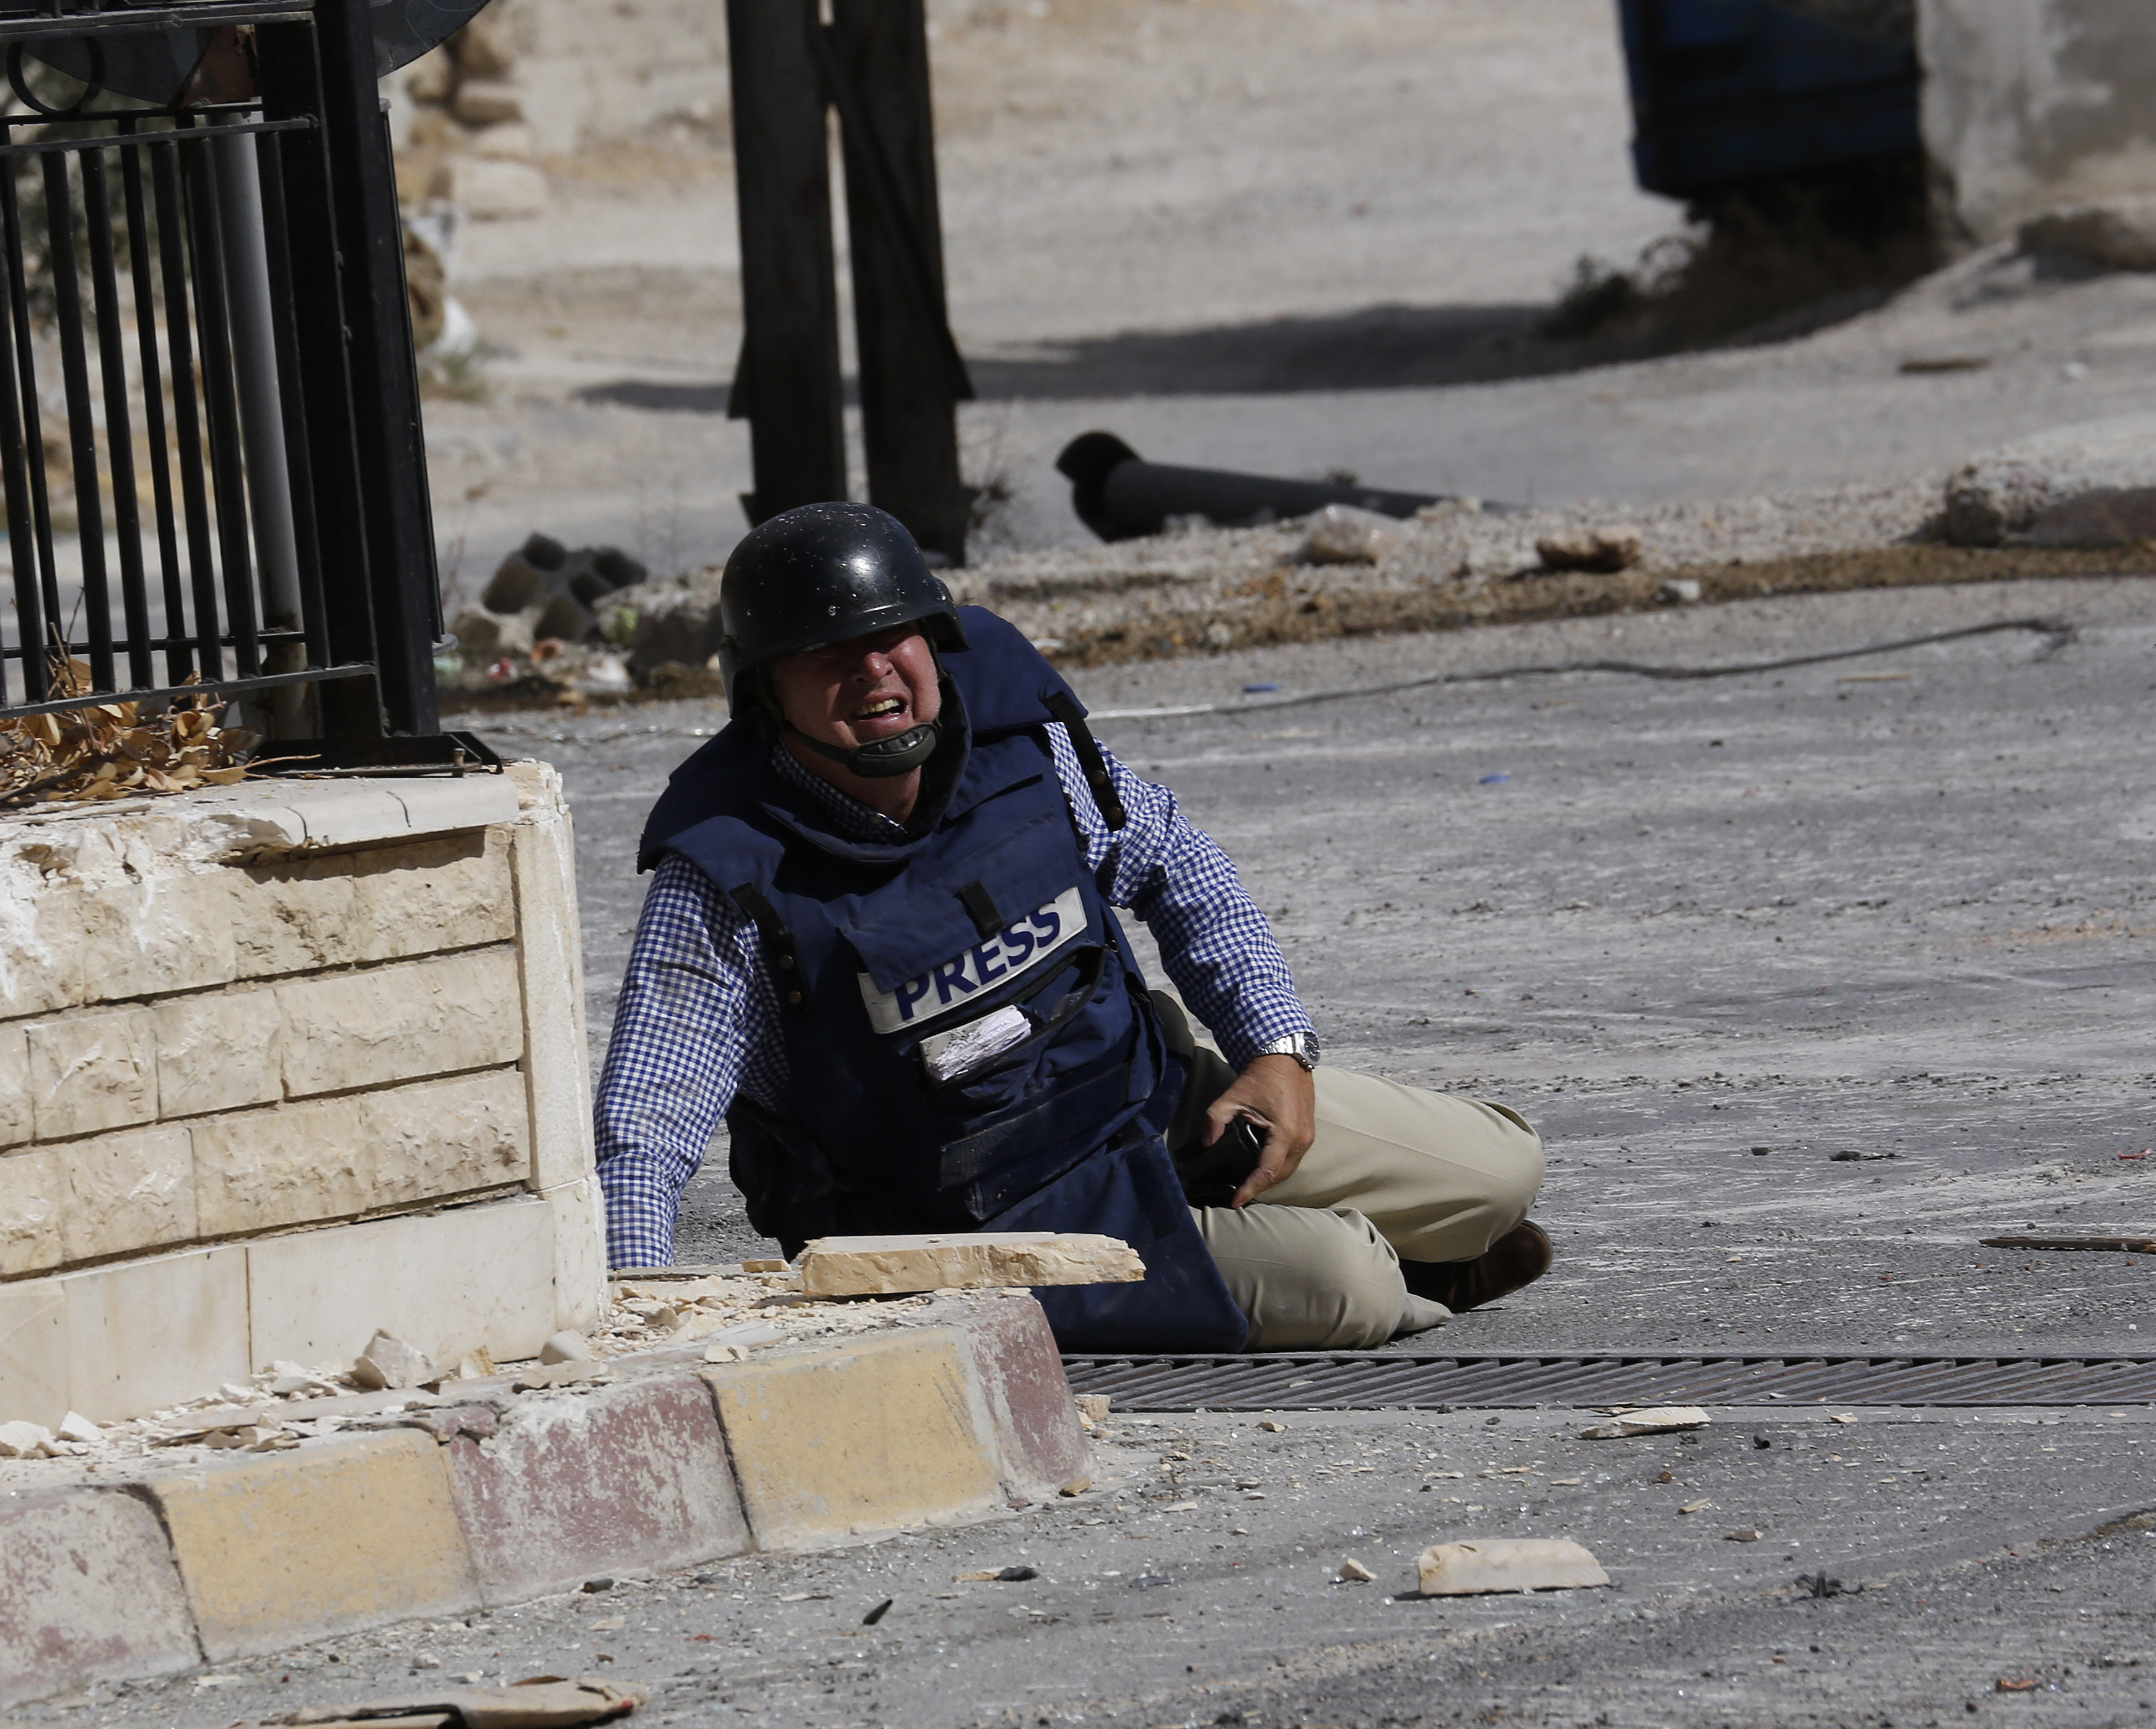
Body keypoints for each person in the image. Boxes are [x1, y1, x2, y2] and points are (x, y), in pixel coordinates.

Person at [592, 502, 1550, 1352]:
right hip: (979, 1226)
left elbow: (1180, 865)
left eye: (896, 636)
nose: (873, 669)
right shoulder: (728, 872)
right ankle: (1395, 1273)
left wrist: (1278, 1050)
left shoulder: (1019, 744)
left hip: (1150, 1098)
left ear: (934, 638)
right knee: (1355, 1281)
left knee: (1502, 1169)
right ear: (763, 692)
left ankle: (1285, 1229)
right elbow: (647, 1117)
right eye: (827, 654)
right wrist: (636, 1309)